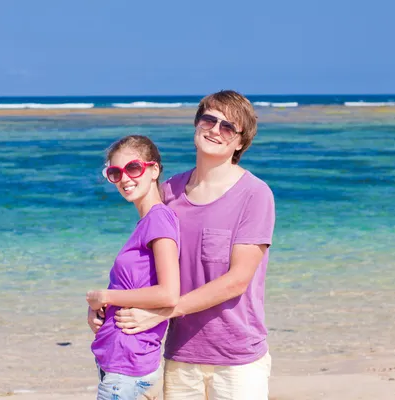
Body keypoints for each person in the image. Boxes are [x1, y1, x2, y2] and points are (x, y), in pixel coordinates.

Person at [88, 90, 276, 400]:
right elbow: (145, 266)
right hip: (180, 353)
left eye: (228, 126)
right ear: (196, 124)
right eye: (209, 119)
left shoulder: (255, 195)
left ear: (241, 142)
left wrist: (164, 311)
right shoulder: (170, 192)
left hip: (237, 358)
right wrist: (105, 307)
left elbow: (237, 281)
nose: (215, 129)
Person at [86, 135, 181, 400]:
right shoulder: (148, 222)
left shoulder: (158, 219)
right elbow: (134, 287)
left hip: (127, 368)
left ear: (154, 170)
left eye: (133, 168)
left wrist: (105, 296)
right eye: (115, 172)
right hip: (119, 363)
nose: (125, 178)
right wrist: (98, 308)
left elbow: (168, 293)